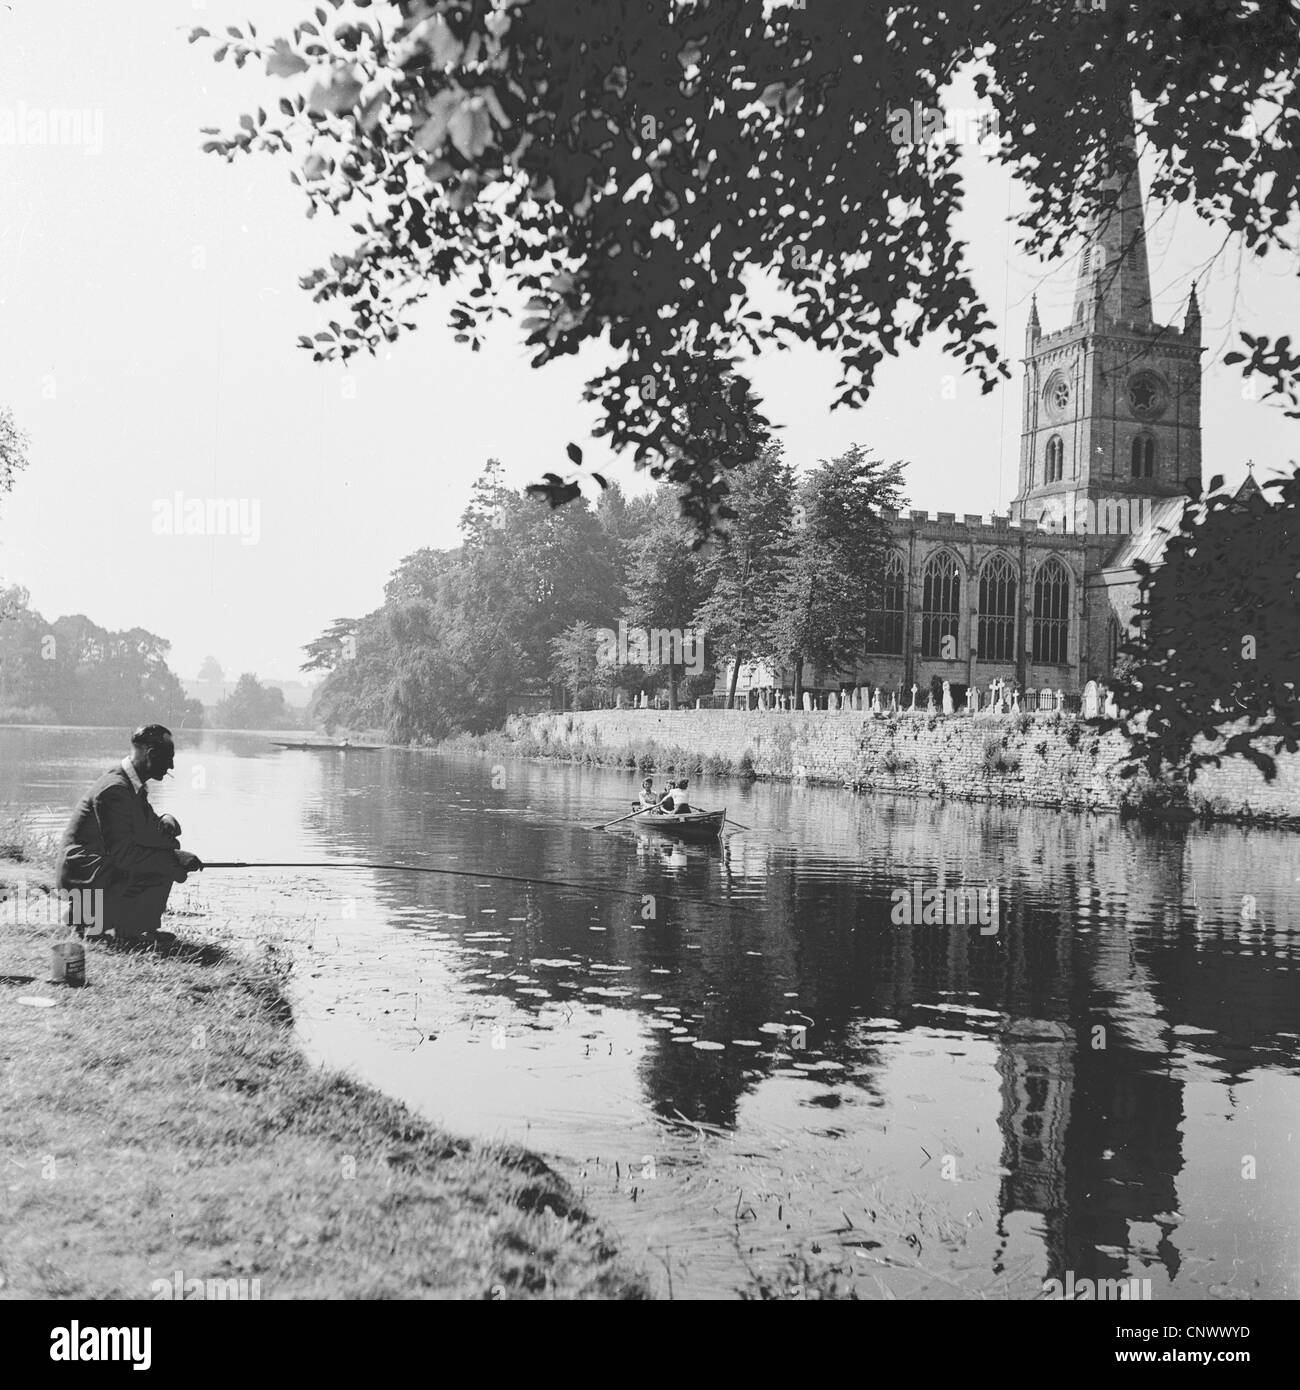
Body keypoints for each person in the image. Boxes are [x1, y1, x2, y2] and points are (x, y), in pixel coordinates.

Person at [56, 724, 203, 945]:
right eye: (168, 758)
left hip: (94, 868)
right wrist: (174, 858)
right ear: (152, 754)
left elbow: (147, 830)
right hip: (82, 873)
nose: (171, 765)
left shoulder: (130, 784)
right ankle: (120, 928)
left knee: (164, 853)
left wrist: (165, 821)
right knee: (163, 862)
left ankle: (96, 919)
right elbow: (123, 855)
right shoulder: (115, 789)